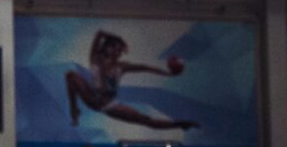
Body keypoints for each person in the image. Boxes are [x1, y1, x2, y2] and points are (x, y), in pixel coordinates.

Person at [63, 29, 198, 132]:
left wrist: (167, 73)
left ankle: (180, 124)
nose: (118, 52)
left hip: (107, 104)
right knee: (70, 75)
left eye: (120, 50)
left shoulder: (121, 67)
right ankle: (74, 110)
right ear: (107, 48)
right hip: (90, 96)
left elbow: (144, 68)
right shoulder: (96, 58)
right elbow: (100, 33)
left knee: (145, 120)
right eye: (115, 48)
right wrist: (119, 39)